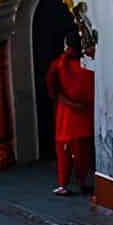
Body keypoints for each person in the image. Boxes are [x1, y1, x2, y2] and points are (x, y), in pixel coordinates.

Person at [45, 32, 95, 195]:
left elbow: (51, 85)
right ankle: (82, 181)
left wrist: (61, 99)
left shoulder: (61, 64)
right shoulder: (89, 63)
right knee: (83, 151)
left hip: (66, 114)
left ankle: (63, 184)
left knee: (64, 151)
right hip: (86, 113)